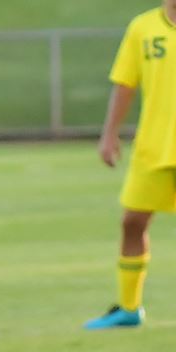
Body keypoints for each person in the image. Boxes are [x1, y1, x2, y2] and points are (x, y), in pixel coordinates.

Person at [88, 0, 176, 330]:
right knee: (133, 223)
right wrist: (109, 135)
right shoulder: (143, 27)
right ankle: (129, 309)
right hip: (154, 147)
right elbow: (125, 83)